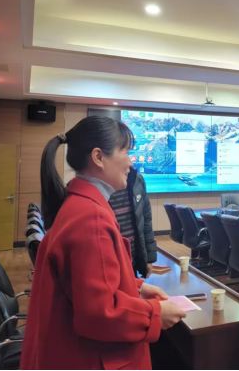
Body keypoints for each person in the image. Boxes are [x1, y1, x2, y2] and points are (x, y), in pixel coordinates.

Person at [21, 116, 186, 370]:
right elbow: (99, 313)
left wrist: (137, 287)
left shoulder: (80, 206)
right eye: (126, 152)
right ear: (98, 157)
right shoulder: (91, 218)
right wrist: (154, 314)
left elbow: (90, 282)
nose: (131, 162)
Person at [109, 167, 157, 278]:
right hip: (110, 264)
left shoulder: (136, 179)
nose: (130, 162)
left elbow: (146, 221)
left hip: (133, 260)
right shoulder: (95, 189)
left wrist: (149, 258)